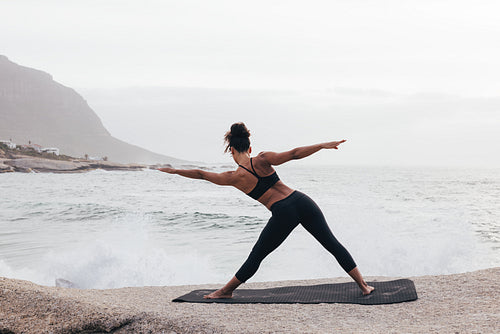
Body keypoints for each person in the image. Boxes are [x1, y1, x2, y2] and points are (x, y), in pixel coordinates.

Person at [158, 122, 374, 298]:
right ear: (249, 148)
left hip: (283, 212)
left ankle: (225, 291)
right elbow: (295, 154)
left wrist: (175, 171)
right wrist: (322, 145)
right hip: (302, 200)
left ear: (231, 150)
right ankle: (364, 286)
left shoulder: (233, 178)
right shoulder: (262, 158)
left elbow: (201, 174)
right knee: (332, 243)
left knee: (258, 255)